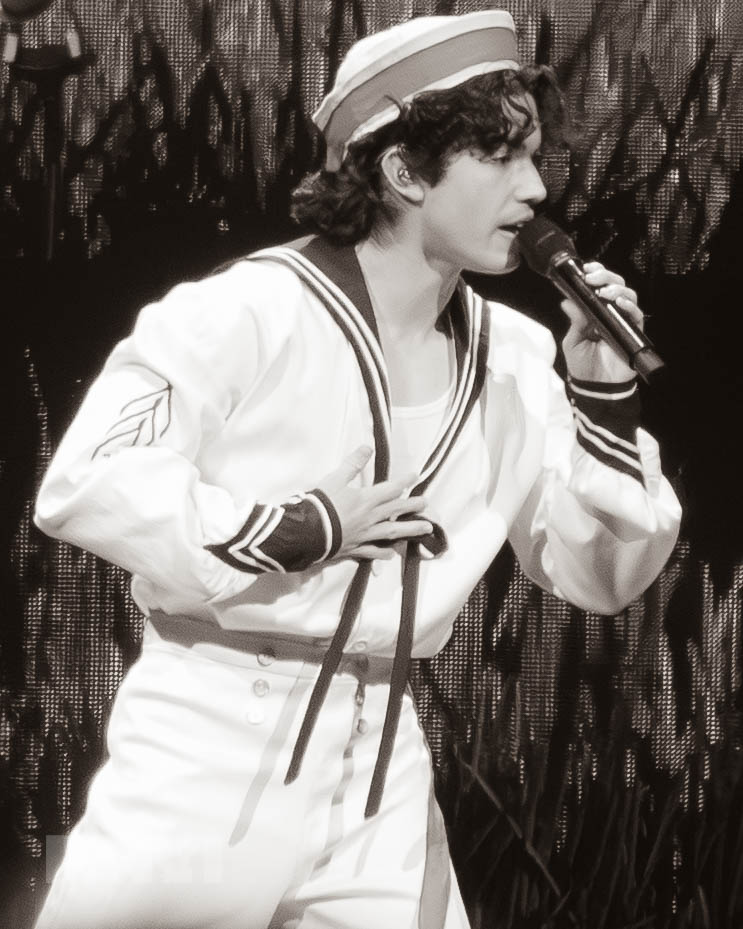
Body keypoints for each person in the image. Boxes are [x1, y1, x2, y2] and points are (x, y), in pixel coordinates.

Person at [32, 10, 681, 929]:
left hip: (380, 758)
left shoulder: (514, 354)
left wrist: (602, 395)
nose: (536, 189)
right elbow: (86, 480)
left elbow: (599, 577)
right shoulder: (245, 312)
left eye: (534, 157)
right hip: (208, 740)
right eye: (500, 158)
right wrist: (298, 527)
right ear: (404, 171)